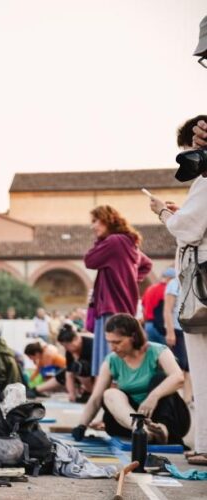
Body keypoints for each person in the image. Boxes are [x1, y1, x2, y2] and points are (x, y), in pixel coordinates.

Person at [151, 106, 207, 464]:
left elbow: (188, 229)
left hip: (201, 288)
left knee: (201, 369)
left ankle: (204, 444)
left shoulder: (204, 179)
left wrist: (163, 212)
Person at [72, 314, 189, 445]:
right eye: (109, 342)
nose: (112, 347)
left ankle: (162, 431)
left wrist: (153, 397)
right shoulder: (112, 360)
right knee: (109, 393)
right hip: (130, 421)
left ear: (133, 337)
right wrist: (81, 426)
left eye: (117, 342)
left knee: (161, 379)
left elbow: (178, 377)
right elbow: (95, 399)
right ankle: (142, 431)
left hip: (168, 417)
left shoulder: (157, 350)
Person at [84, 205, 152, 376]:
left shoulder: (113, 241)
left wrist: (125, 278)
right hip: (122, 306)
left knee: (109, 363)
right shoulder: (128, 242)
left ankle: (108, 397)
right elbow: (146, 264)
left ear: (108, 220)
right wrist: (128, 278)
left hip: (111, 306)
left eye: (95, 221)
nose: (93, 226)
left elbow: (90, 260)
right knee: (120, 359)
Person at [35, 324, 94, 401]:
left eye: (67, 346)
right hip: (84, 378)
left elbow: (99, 372)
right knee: (65, 371)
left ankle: (90, 391)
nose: (66, 349)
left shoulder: (91, 345)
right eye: (64, 346)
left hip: (97, 379)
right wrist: (71, 393)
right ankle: (35, 390)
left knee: (80, 366)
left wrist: (95, 392)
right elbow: (68, 374)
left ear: (76, 339)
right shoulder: (70, 351)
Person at [161, 276, 191, 402]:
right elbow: (167, 310)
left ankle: (188, 399)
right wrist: (170, 332)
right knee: (180, 366)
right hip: (178, 329)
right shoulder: (174, 283)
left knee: (189, 367)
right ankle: (176, 400)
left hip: (191, 330)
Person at [140, 268, 175, 344]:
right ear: (170, 278)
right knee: (164, 353)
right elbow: (168, 309)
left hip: (148, 326)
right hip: (159, 326)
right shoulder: (167, 289)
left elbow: (143, 307)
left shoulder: (150, 288)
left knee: (152, 352)